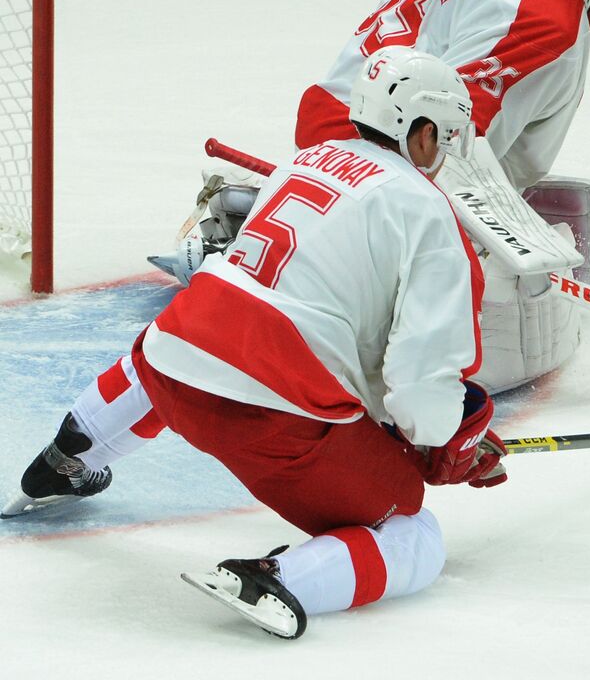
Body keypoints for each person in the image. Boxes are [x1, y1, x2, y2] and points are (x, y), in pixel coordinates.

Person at [4, 47, 507, 640]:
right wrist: (447, 438)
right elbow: (420, 398)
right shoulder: (427, 213)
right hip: (271, 418)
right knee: (412, 531)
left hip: (169, 366)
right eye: (443, 137)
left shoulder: (308, 160)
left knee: (183, 343)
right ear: (420, 133)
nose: (443, 154)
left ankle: (71, 455)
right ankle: (280, 577)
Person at [153, 0, 590, 393]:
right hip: (367, 139)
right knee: (451, 307)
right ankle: (250, 243)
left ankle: (281, 205)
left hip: (348, 104)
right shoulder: (543, 16)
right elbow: (443, 138)